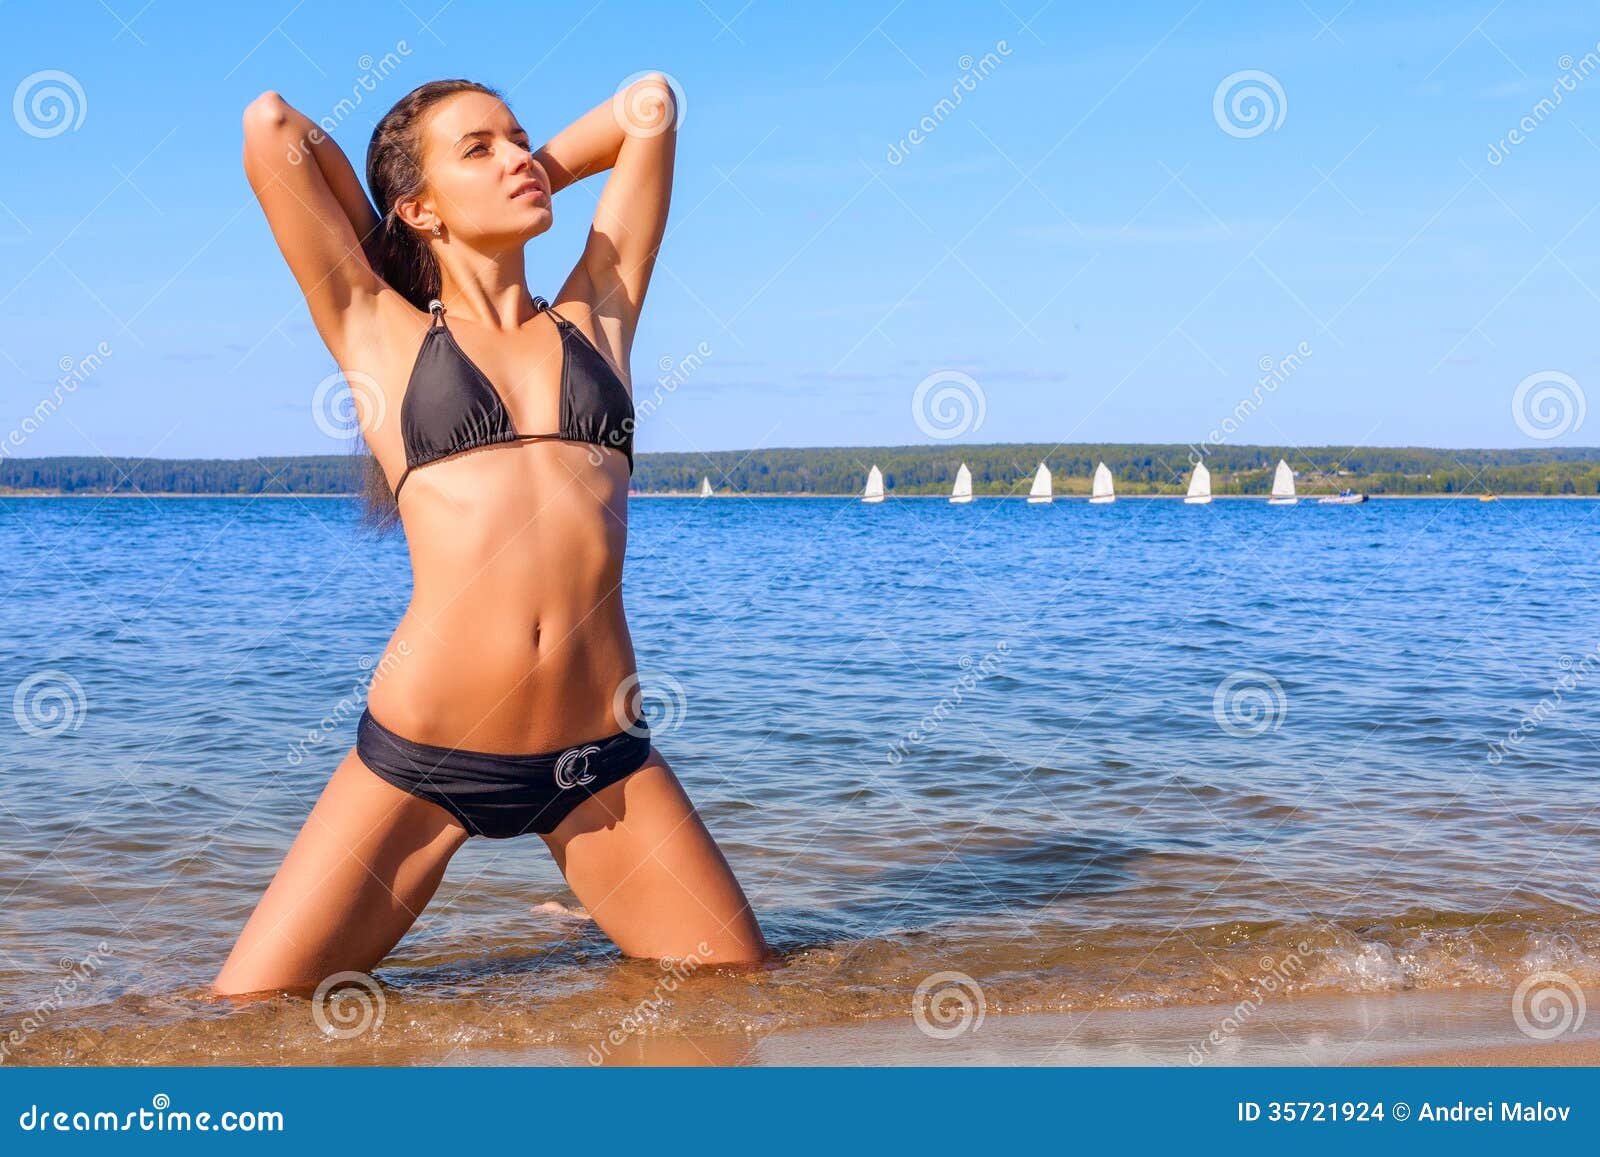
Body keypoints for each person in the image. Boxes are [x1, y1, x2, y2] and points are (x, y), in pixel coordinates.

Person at [215, 74, 769, 996]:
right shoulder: (375, 330)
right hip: (420, 757)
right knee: (240, 1023)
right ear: (420, 207)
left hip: (600, 763)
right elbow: (268, 123)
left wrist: (528, 172)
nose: (517, 158)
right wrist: (391, 232)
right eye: (480, 148)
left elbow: (653, 107)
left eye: (520, 140)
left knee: (734, 1006)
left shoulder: (600, 312)